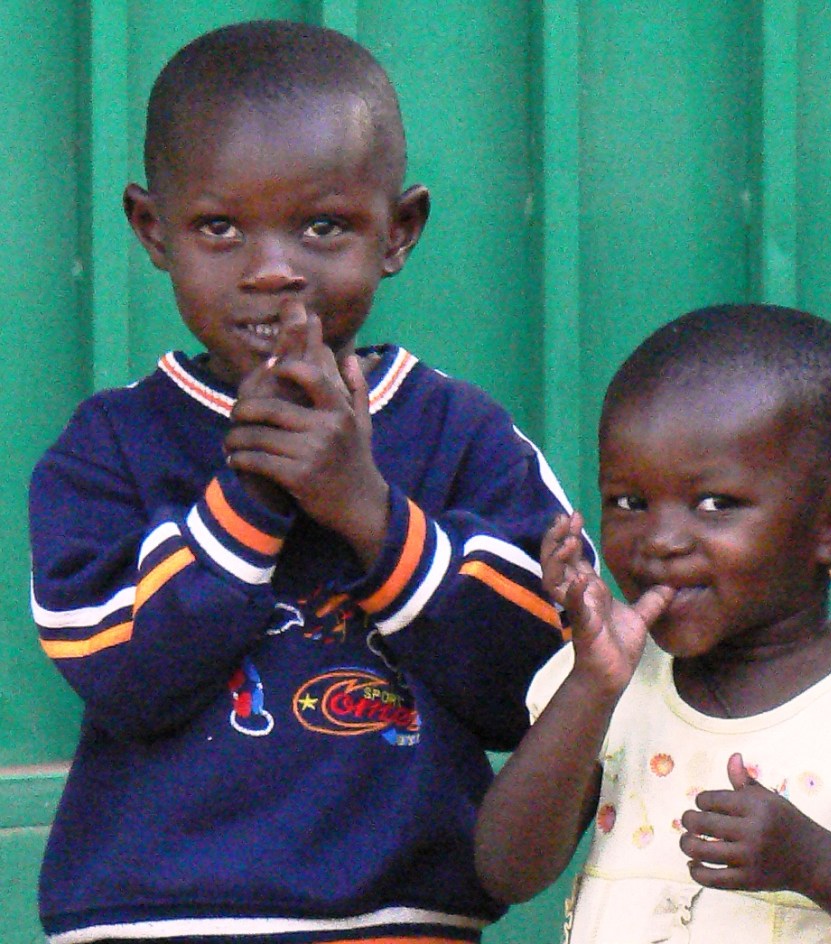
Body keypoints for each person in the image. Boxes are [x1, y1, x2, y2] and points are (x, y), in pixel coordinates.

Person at [29, 20, 592, 944]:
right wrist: (251, 498)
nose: (273, 270)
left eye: (323, 226)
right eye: (220, 227)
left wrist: (368, 512)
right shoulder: (112, 447)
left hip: (396, 921)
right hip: (155, 923)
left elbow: (543, 683)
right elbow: (119, 673)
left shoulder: (463, 437)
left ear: (398, 231)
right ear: (153, 229)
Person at [474, 304, 831, 944]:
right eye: (629, 502)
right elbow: (506, 871)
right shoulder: (608, 688)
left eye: (715, 504)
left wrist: (812, 863)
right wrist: (593, 685)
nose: (660, 540)